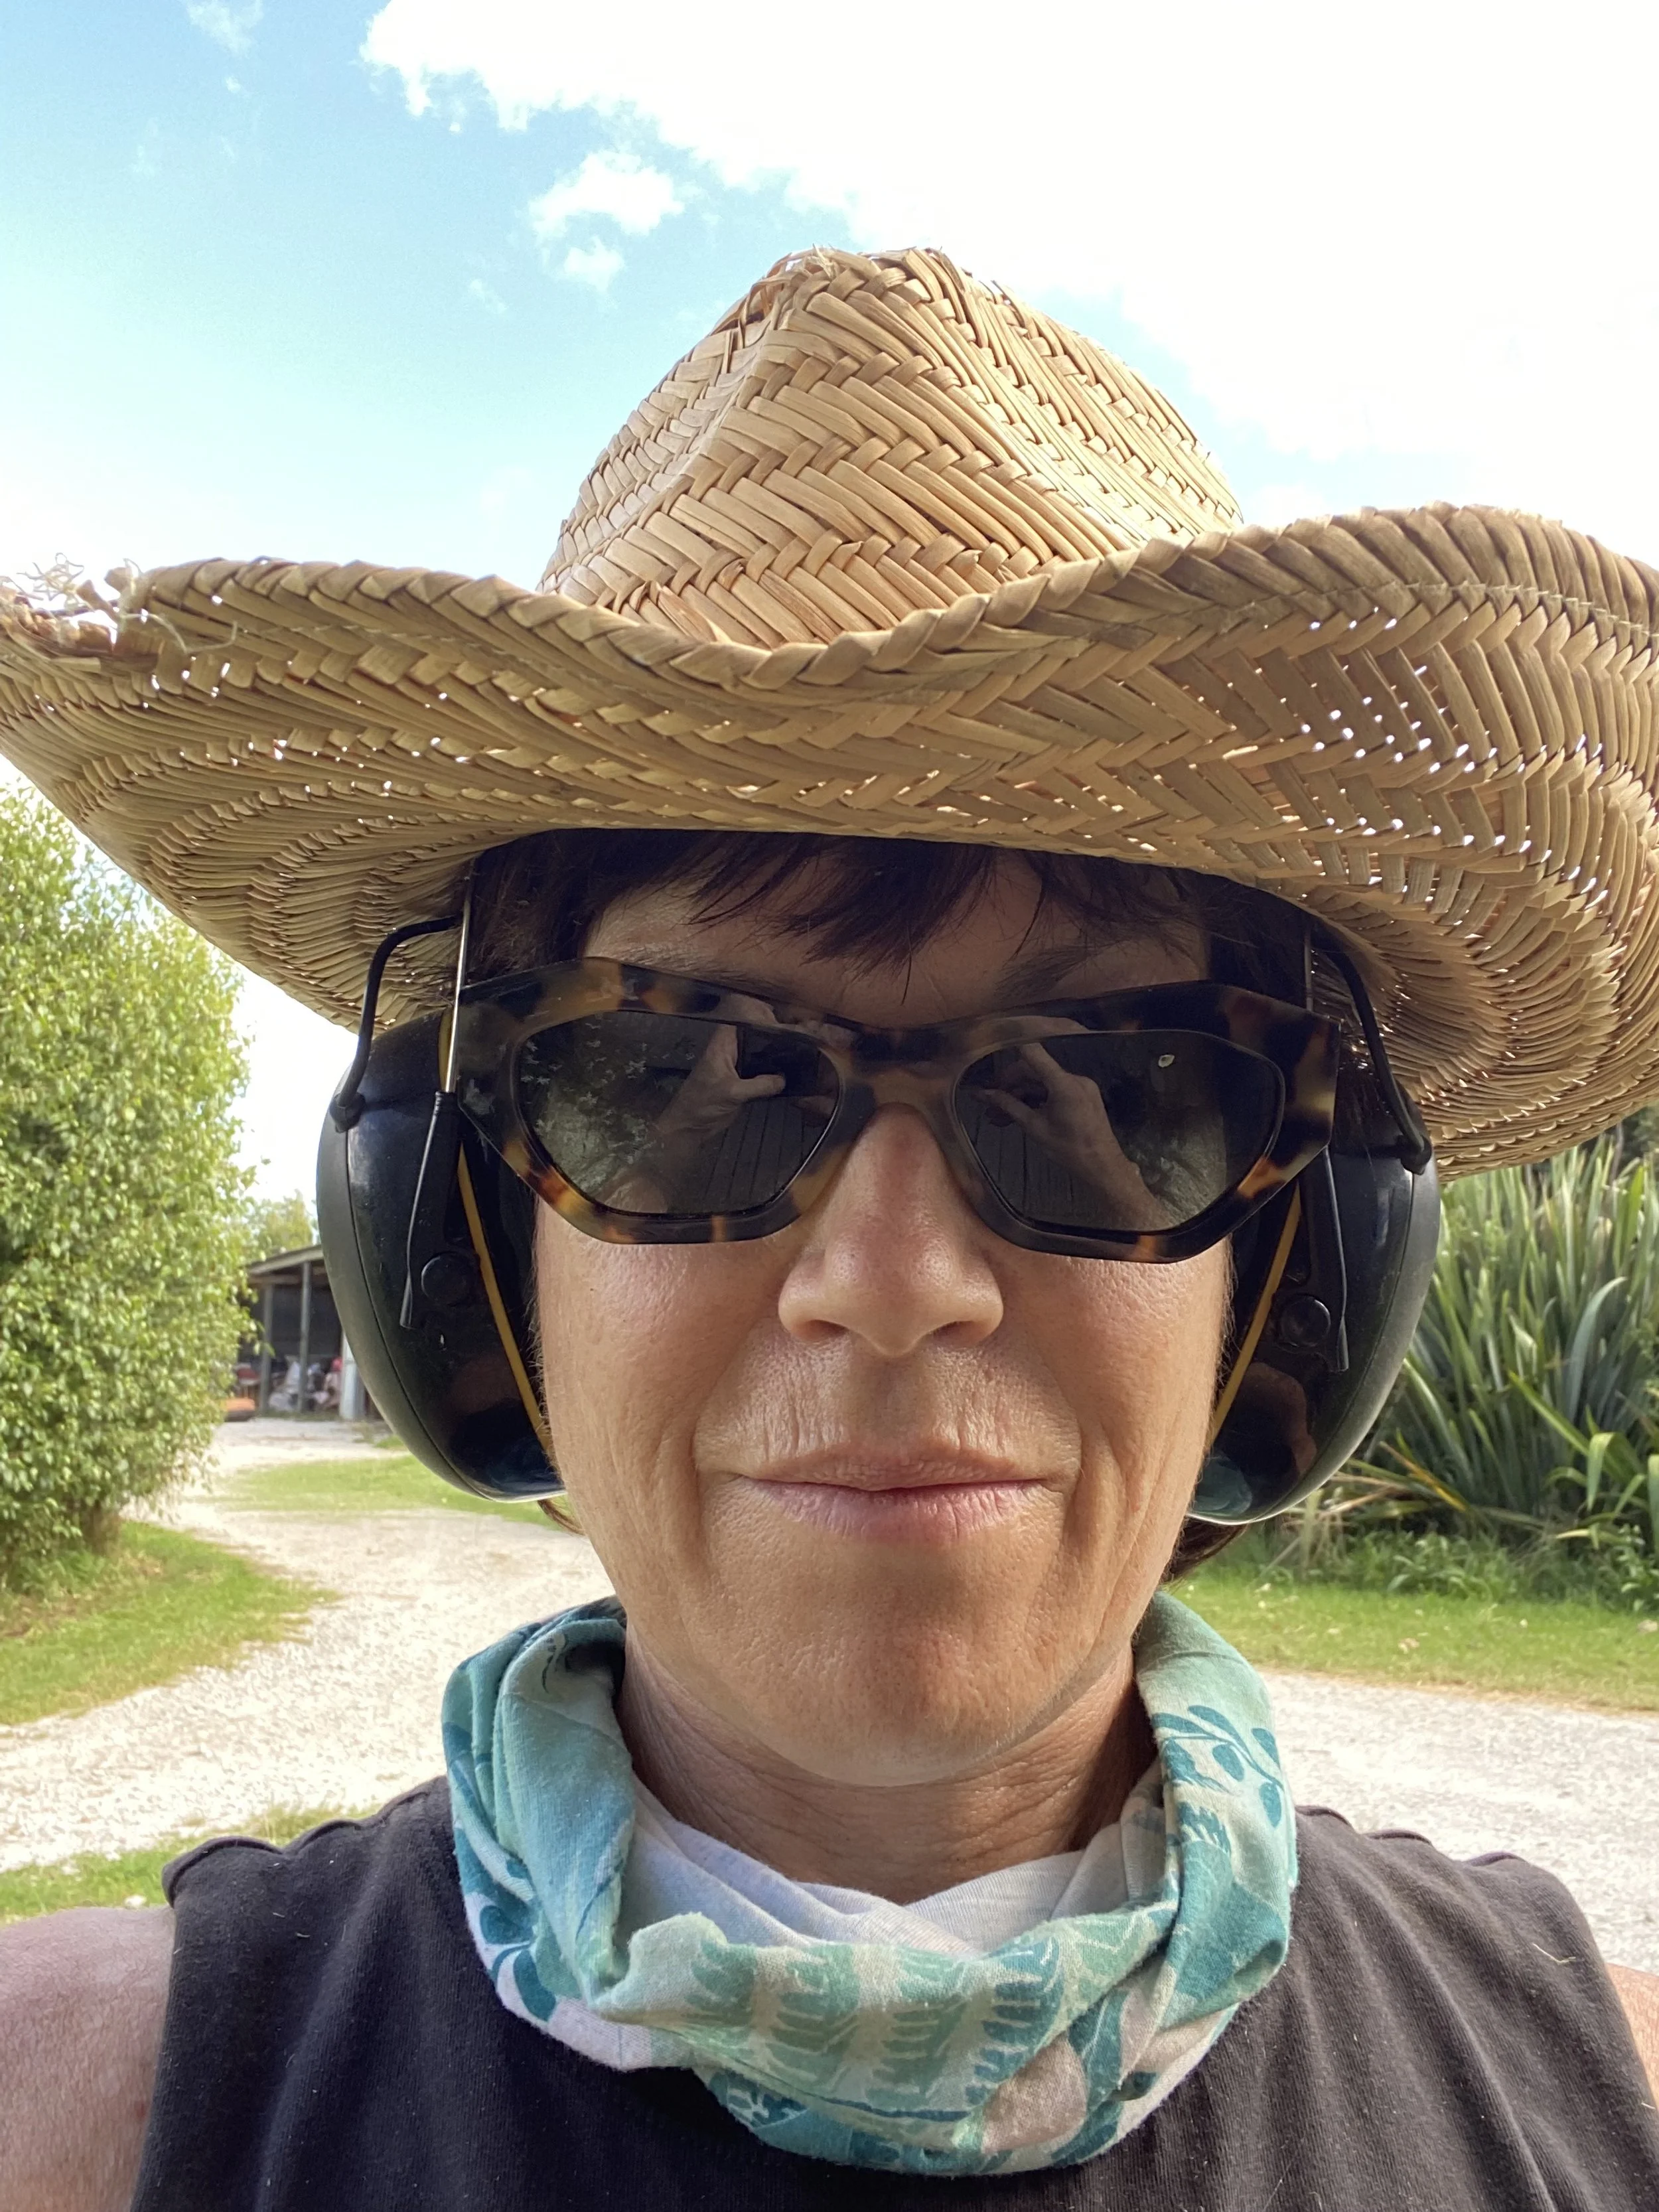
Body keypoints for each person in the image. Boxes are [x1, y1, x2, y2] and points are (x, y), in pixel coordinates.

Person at [1, 246, 1656, 2211]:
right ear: (463, 1252)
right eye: (678, 1076)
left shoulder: (1604, 2111)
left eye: (1118, 1083)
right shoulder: (69, 2117)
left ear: (1300, 1273)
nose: (891, 1283)